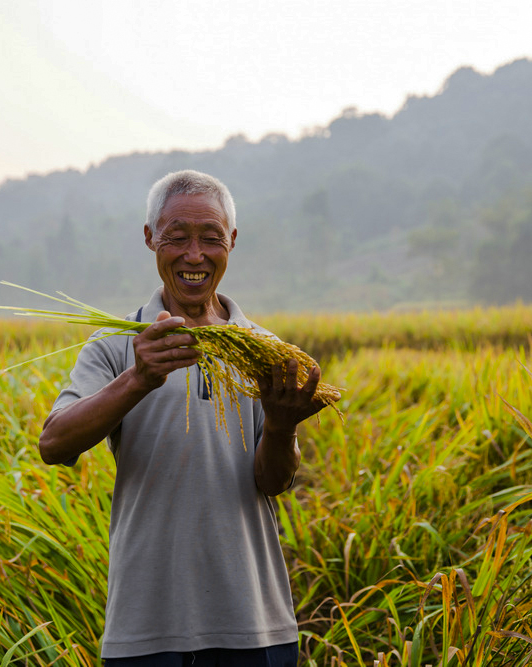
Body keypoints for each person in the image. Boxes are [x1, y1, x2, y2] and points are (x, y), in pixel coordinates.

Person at [38, 169, 338, 665]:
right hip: (146, 628)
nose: (194, 255)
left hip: (253, 624)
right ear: (150, 238)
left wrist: (282, 425)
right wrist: (138, 378)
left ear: (232, 241)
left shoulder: (263, 350)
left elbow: (274, 481)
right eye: (176, 237)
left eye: (210, 238)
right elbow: (54, 444)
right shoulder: (118, 344)